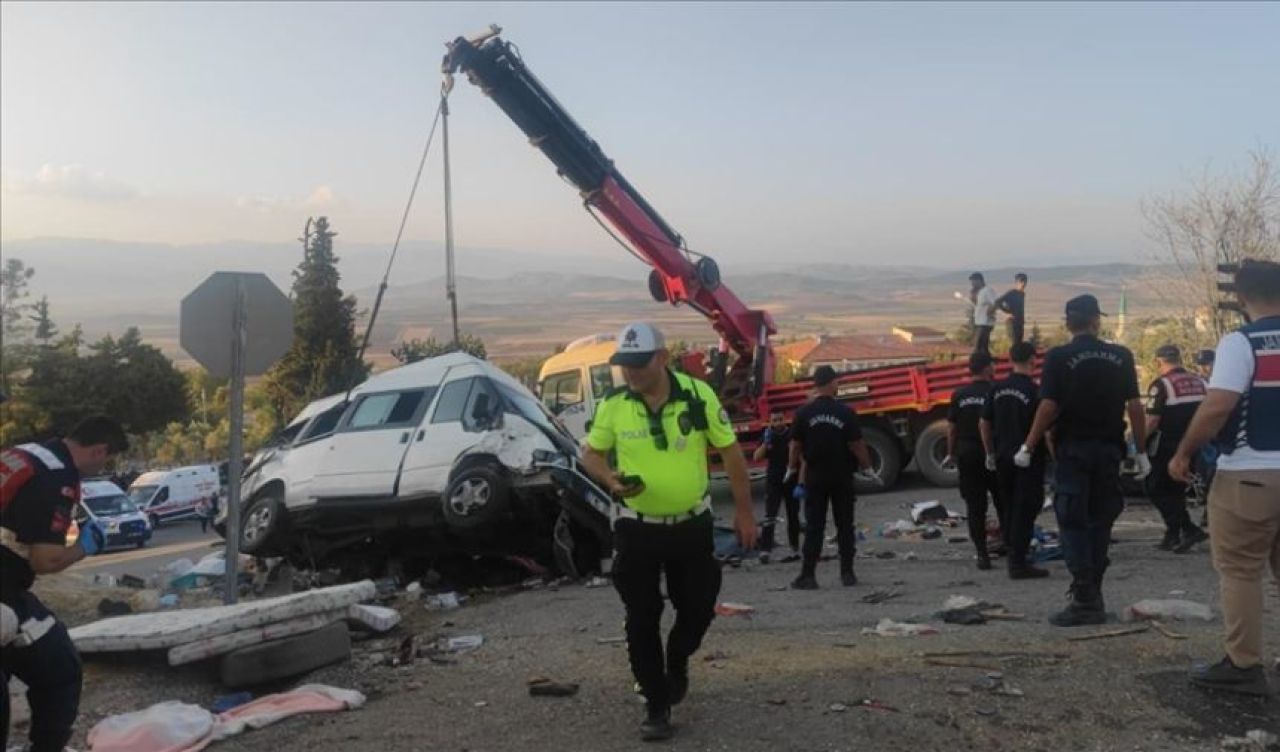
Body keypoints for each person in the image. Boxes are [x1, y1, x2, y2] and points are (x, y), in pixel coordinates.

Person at [581, 322, 756, 741]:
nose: (631, 372)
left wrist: (744, 512)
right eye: (625, 364)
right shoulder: (615, 405)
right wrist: (610, 478)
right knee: (641, 617)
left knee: (697, 607)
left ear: (661, 358)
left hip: (690, 526)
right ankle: (656, 705)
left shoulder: (697, 395)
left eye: (639, 363)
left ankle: (677, 658)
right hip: (636, 528)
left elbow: (730, 452)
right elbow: (591, 455)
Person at [1169, 259, 1280, 696]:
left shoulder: (1242, 342)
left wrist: (1184, 452)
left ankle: (1244, 664)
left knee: (1241, 571)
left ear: (1241, 297)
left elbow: (1217, 406)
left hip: (1249, 474)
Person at [1016, 294, 1149, 626]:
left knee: (1072, 522)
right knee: (1100, 521)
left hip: (1074, 450)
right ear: (1095, 321)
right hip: (1109, 450)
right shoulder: (1121, 356)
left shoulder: (1059, 357)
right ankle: (1094, 594)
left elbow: (1048, 406)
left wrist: (1029, 445)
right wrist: (1142, 451)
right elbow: (1135, 406)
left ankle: (1085, 600)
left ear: (1068, 323)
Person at [2, 416, 127, 752]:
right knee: (59, 667)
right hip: (3, 589)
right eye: (108, 460)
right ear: (99, 451)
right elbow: (44, 560)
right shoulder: (58, 478)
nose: (103, 468)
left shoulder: (26, 453)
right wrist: (84, 547)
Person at [786, 365, 872, 590]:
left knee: (814, 526)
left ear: (815, 384)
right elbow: (856, 444)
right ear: (832, 383)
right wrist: (867, 467)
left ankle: (808, 575)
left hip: (815, 477)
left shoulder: (803, 413)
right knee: (845, 525)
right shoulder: (846, 412)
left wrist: (791, 468)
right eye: (836, 382)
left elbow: (795, 445)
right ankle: (847, 574)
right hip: (841, 476)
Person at [981, 342, 1049, 579]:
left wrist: (990, 453)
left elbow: (984, 423)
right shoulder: (1034, 391)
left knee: (1009, 506)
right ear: (1033, 360)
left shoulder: (997, 389)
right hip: (1027, 458)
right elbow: (1045, 427)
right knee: (1026, 507)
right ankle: (1018, 562)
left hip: (1002, 457)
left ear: (1010, 360)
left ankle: (1013, 552)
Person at [1144, 345, 1209, 553]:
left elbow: (1152, 420)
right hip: (1195, 444)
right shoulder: (1200, 382)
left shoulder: (1162, 385)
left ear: (1159, 361)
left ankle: (1188, 528)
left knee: (1155, 487)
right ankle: (1173, 534)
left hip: (1167, 445)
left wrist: (1136, 442)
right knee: (1176, 490)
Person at [946, 352, 1001, 570]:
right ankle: (1012, 547)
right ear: (987, 368)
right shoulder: (996, 391)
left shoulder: (959, 395)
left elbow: (952, 429)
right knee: (1003, 501)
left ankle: (982, 554)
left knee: (975, 507)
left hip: (968, 454)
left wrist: (951, 453)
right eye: (993, 365)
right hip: (993, 454)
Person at [753, 411, 800, 562]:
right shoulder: (768, 435)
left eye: (780, 419)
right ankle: (765, 550)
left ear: (784, 419)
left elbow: (800, 453)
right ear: (770, 422)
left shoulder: (791, 434)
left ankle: (795, 547)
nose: (778, 423)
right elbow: (756, 457)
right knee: (770, 515)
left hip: (791, 478)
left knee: (793, 514)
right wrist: (765, 444)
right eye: (775, 420)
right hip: (774, 480)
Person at [968, 272, 999, 355]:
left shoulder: (988, 290)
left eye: (973, 282)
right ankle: (986, 359)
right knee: (983, 346)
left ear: (979, 280)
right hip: (979, 322)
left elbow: (996, 302)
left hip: (985, 323)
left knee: (978, 345)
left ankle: (978, 359)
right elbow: (978, 305)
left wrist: (991, 311)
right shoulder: (979, 292)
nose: (972, 284)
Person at [995, 273, 1029, 346]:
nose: (1023, 283)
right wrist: (1005, 313)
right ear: (1016, 282)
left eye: (1025, 281)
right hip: (1012, 323)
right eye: (1021, 281)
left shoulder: (1022, 294)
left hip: (1020, 323)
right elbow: (997, 302)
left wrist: (1022, 320)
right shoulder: (1011, 293)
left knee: (1019, 344)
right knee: (1014, 344)